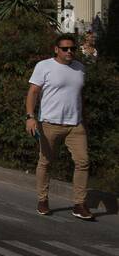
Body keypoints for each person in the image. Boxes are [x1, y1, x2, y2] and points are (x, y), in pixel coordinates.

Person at [26, 33, 92, 220]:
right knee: (46, 162)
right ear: (57, 49)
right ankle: (42, 199)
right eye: (65, 49)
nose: (69, 52)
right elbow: (33, 92)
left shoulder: (80, 68)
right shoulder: (44, 66)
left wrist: (84, 120)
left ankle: (79, 204)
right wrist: (30, 117)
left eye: (72, 48)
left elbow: (80, 96)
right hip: (49, 124)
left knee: (83, 162)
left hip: (75, 125)